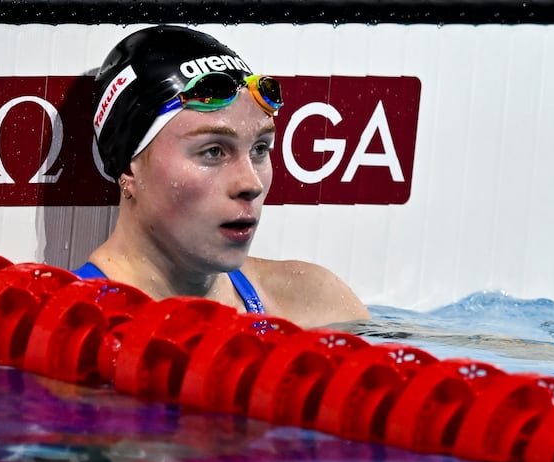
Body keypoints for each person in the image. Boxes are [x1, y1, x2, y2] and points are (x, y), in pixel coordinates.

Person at [74, 25, 370, 329]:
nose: (251, 184)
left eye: (259, 148)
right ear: (129, 168)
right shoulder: (74, 331)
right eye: (213, 151)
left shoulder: (316, 305)